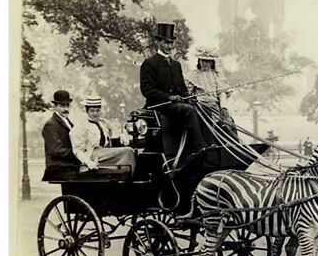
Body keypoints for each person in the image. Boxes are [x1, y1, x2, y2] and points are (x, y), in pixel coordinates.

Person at [139, 22, 206, 163]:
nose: (169, 46)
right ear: (158, 42)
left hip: (174, 105)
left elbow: (181, 88)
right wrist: (169, 97)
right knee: (188, 111)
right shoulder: (149, 63)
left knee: (202, 108)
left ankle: (208, 145)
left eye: (171, 43)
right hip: (158, 105)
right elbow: (147, 90)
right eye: (166, 43)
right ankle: (199, 149)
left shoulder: (176, 65)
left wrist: (190, 97)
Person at [71, 96, 136, 175]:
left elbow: (111, 137)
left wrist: (121, 137)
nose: (95, 114)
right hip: (92, 156)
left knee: (131, 150)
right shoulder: (82, 125)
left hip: (105, 154)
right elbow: (77, 150)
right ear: (87, 111)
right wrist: (88, 162)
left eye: (97, 111)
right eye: (92, 111)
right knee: (128, 151)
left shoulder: (103, 123)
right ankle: (128, 177)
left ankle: (126, 175)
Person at [186, 46, 238, 141]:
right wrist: (192, 99)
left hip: (215, 106)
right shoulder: (193, 75)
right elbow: (187, 93)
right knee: (208, 122)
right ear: (199, 61)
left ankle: (235, 145)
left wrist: (223, 107)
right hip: (200, 106)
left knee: (229, 122)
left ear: (212, 63)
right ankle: (210, 144)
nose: (205, 63)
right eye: (202, 60)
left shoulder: (217, 75)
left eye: (207, 61)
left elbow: (222, 92)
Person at [41, 89, 82, 180]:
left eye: (67, 106)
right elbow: (55, 150)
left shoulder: (67, 121)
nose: (66, 109)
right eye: (62, 106)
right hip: (59, 167)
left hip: (69, 166)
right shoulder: (51, 125)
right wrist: (78, 154)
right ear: (55, 106)